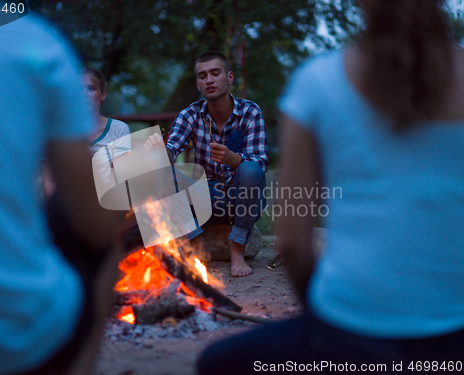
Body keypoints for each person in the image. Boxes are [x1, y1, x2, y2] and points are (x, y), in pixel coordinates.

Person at [196, 0, 464, 373]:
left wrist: (323, 321)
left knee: (216, 363)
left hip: (350, 325)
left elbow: (292, 243)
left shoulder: (319, 82)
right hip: (454, 328)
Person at [0, 8, 125, 375]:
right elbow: (92, 220)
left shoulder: (117, 131)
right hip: (19, 337)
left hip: (90, 195)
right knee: (101, 233)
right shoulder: (34, 42)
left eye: (91, 88)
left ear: (102, 93)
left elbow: (128, 182)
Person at [146, 51, 269, 277]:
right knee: (159, 170)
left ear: (229, 77)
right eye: (203, 76)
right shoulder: (190, 114)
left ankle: (238, 251)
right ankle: (197, 243)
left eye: (215, 73)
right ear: (198, 84)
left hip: (242, 200)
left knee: (250, 169)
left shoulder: (250, 112)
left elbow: (260, 163)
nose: (209, 80)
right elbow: (172, 148)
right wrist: (161, 155)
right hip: (204, 201)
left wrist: (234, 159)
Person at [42, 67, 131, 198]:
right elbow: (48, 179)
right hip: (63, 204)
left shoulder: (119, 129)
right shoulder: (59, 129)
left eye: (90, 88)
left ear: (103, 94)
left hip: (104, 204)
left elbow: (121, 178)